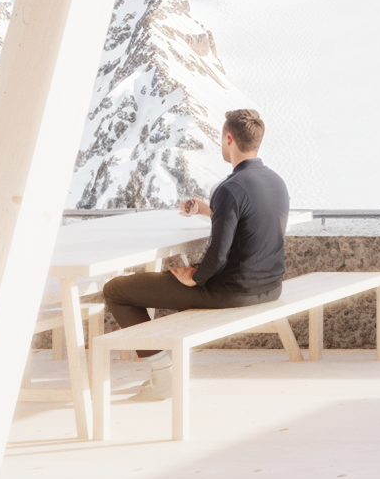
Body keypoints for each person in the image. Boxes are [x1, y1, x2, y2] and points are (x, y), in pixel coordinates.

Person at [103, 106, 286, 325]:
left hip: (230, 292)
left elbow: (218, 255)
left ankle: (158, 359)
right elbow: (251, 220)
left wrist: (195, 278)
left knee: (115, 290)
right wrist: (206, 210)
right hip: (271, 288)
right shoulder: (276, 182)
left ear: (229, 139)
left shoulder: (230, 188)